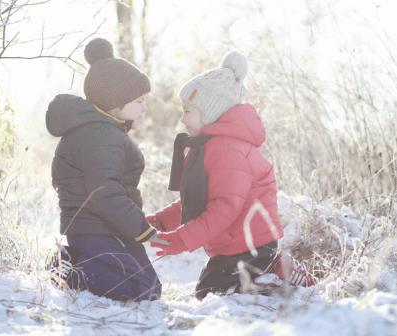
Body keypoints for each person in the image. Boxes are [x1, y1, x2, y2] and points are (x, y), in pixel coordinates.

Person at [147, 51, 318, 300]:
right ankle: (266, 271)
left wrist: (182, 238)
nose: (182, 119)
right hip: (236, 244)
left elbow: (224, 207)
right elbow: (199, 198)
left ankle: (273, 273)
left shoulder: (227, 150)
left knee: (210, 292)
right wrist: (161, 222)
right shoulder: (212, 146)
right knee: (207, 289)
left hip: (251, 246)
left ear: (210, 111)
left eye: (187, 111)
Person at [45, 38, 167, 301]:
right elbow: (105, 191)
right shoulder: (101, 135)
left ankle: (77, 260)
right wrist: (141, 228)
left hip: (105, 227)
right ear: (116, 103)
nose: (144, 108)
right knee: (146, 290)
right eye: (139, 100)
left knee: (148, 287)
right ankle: (66, 268)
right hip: (95, 229)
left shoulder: (103, 131)